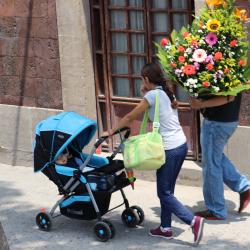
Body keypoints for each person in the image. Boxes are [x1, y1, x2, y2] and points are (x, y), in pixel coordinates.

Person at [104, 63, 205, 246]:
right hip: (180, 146)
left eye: (142, 79)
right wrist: (145, 90)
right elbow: (156, 109)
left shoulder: (152, 95)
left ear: (147, 79)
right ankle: (165, 228)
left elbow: (129, 117)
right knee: (168, 190)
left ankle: (192, 221)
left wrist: (110, 132)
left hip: (169, 149)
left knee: (164, 192)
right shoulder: (167, 93)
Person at [190, 94, 250, 220]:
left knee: (211, 164)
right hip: (228, 120)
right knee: (215, 158)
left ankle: (216, 210)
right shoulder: (236, 74)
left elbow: (229, 97)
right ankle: (244, 187)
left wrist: (200, 104)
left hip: (216, 122)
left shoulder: (220, 73)